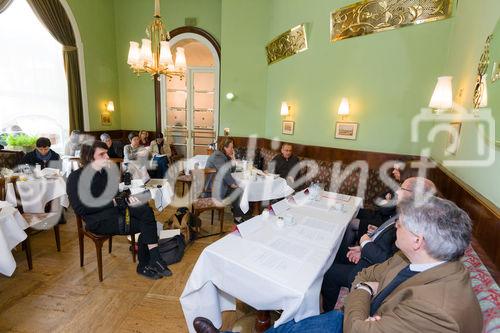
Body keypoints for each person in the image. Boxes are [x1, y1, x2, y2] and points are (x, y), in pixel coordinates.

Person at [192, 196, 483, 333]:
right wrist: (366, 292)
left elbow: (358, 324)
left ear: (418, 240)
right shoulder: (418, 257)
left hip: (366, 317)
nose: (396, 229)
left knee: (324, 321)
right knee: (302, 325)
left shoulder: (437, 309)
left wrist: (365, 294)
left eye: (402, 226)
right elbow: (369, 273)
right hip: (371, 314)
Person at [321, 177, 437, 312]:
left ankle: (328, 312)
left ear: (414, 195)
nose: (397, 192)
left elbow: (392, 261)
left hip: (372, 270)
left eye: (402, 189)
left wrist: (365, 244)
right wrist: (369, 241)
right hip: (370, 254)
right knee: (337, 251)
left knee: (329, 272)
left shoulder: (413, 226)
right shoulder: (407, 211)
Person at [66, 140, 172, 280]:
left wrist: (127, 198)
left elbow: (115, 194)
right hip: (98, 220)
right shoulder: (75, 178)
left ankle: (153, 259)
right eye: (102, 154)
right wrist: (114, 202)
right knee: (146, 223)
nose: (107, 157)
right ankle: (148, 263)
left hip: (115, 210)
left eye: (106, 153)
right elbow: (80, 209)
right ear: (89, 157)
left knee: (145, 210)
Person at [205, 136, 247, 223]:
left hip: (218, 185)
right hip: (212, 189)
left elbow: (232, 170)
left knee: (238, 189)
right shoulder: (218, 156)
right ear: (225, 147)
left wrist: (233, 158)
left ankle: (236, 209)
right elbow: (225, 172)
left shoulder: (222, 156)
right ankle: (237, 216)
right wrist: (232, 184)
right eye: (231, 147)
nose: (233, 149)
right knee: (239, 190)